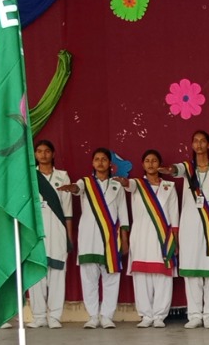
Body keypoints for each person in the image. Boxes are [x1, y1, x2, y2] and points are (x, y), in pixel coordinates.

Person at [69, 147, 129, 329]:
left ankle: (107, 316)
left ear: (110, 163)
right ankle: (93, 316)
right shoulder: (85, 182)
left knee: (111, 278)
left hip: (111, 238)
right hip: (89, 237)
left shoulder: (117, 185)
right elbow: (76, 189)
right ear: (92, 163)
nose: (100, 162)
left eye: (104, 159)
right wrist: (70, 187)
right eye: (97, 159)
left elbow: (123, 214)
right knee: (89, 279)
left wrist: (125, 240)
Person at [174, 130, 209, 328]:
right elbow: (174, 170)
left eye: (202, 141)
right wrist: (167, 169)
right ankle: (195, 315)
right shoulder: (187, 169)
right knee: (192, 270)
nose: (198, 144)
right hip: (189, 224)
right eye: (195, 141)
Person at [128, 149, 179, 327]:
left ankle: (159, 315)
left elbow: (174, 215)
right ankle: (146, 315)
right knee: (142, 276)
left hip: (163, 237)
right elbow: (128, 186)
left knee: (162, 276)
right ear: (142, 164)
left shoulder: (169, 187)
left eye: (154, 160)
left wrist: (176, 239)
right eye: (147, 160)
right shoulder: (136, 184)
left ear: (159, 164)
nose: (151, 164)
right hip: (141, 236)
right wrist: (123, 182)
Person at [28, 139, 71, 328]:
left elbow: (67, 209)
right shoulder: (29, 177)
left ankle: (54, 316)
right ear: (35, 154)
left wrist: (69, 236)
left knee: (57, 273)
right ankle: (38, 317)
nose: (43, 154)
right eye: (39, 151)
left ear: (53, 154)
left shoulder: (63, 176)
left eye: (47, 151)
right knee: (37, 273)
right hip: (36, 231)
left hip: (58, 230)